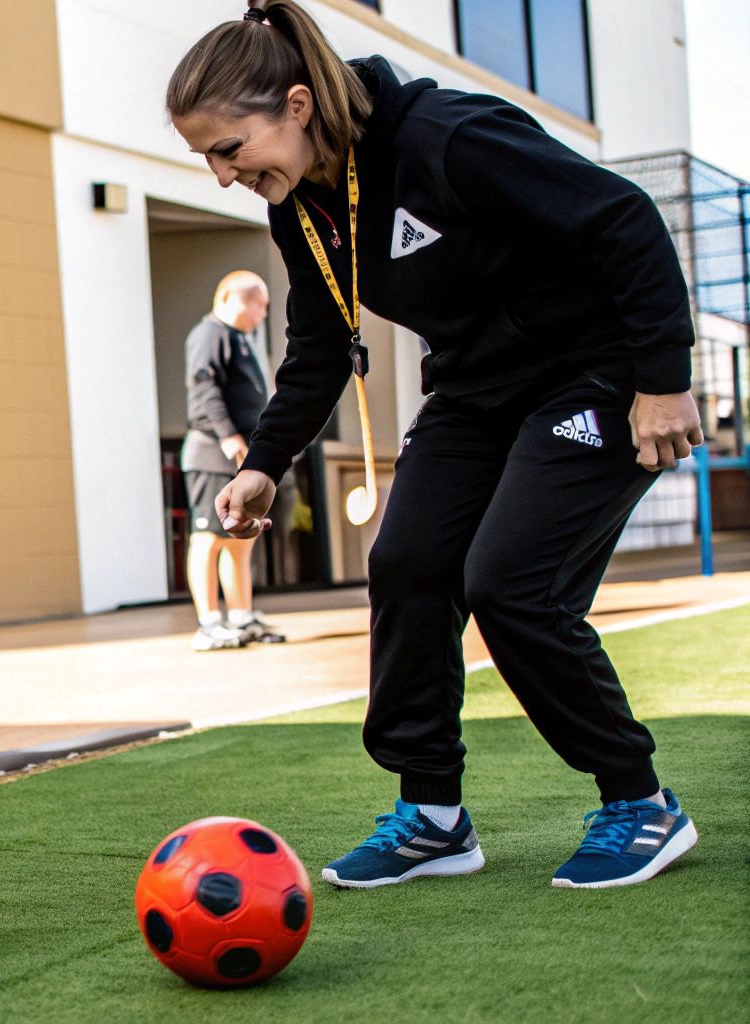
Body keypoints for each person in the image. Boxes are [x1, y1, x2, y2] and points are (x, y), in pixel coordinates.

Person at [167, 0, 705, 889]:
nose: (223, 175)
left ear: (298, 105)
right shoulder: (301, 207)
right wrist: (262, 463)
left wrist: (662, 378)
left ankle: (638, 802)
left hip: (594, 374)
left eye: (230, 149)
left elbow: (623, 219)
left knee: (511, 585)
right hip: (472, 392)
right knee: (410, 563)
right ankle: (433, 816)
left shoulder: (449, 137)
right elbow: (316, 347)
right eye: (208, 159)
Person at [182, 269, 288, 651]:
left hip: (240, 455)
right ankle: (209, 623)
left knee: (239, 537)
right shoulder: (209, 334)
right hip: (212, 452)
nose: (262, 313)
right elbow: (204, 385)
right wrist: (228, 436)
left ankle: (242, 617)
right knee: (207, 538)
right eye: (257, 304)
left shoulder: (238, 339)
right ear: (229, 298)